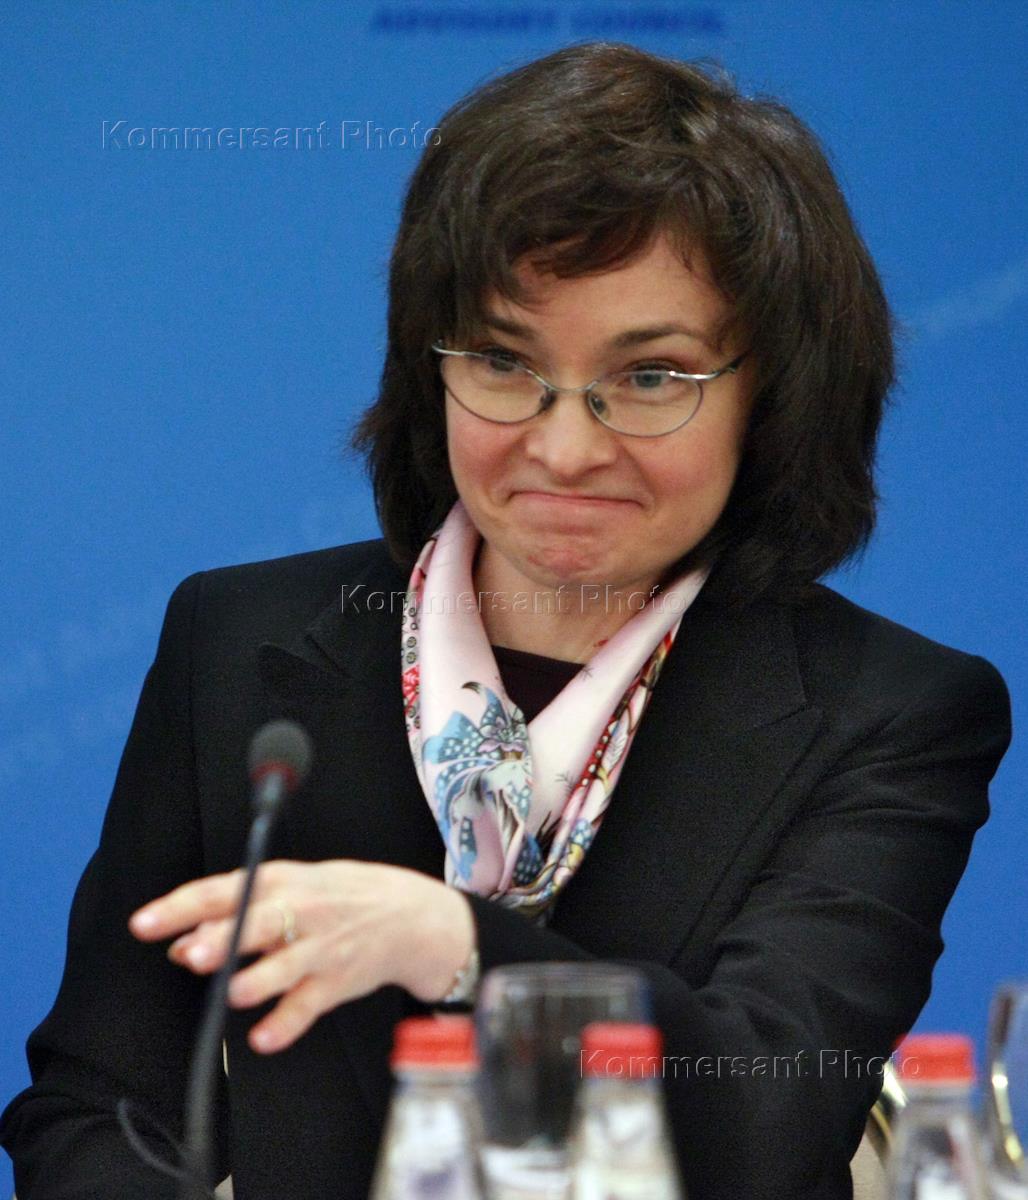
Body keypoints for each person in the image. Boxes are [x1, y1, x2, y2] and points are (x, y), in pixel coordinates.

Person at [1, 41, 1011, 1200]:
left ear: (772, 396)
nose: (564, 448)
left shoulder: (889, 712)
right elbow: (97, 1106)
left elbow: (761, 1121)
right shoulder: (238, 643)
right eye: (500, 360)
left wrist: (452, 947)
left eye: (649, 377)